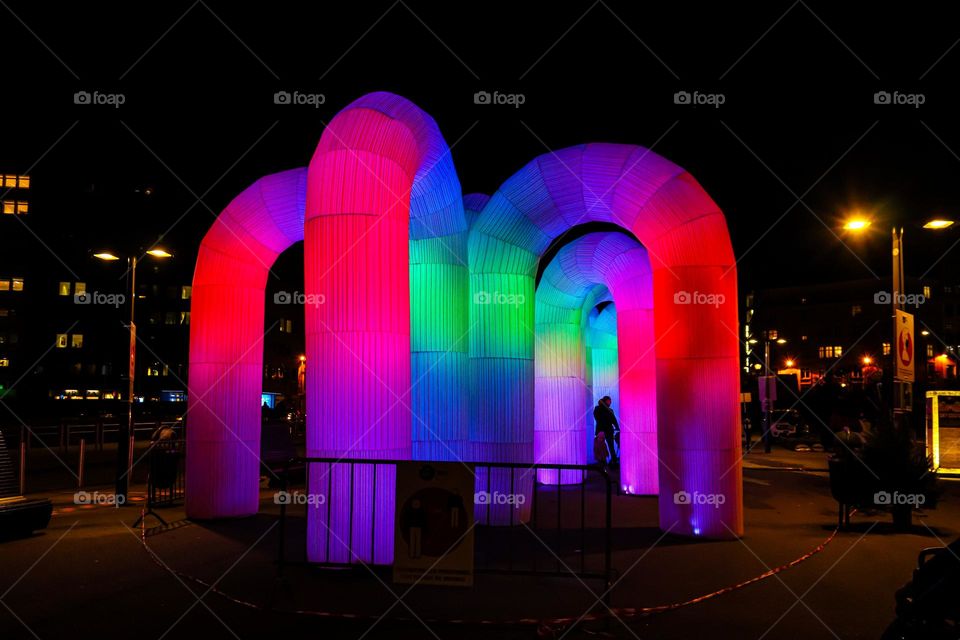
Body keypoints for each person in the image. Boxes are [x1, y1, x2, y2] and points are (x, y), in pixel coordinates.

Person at [594, 396, 620, 463]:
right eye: (609, 400)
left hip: (607, 430)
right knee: (600, 447)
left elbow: (614, 420)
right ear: (605, 401)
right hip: (601, 431)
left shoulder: (609, 410)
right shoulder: (598, 409)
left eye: (610, 401)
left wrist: (617, 427)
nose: (610, 402)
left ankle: (613, 461)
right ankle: (602, 461)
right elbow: (598, 419)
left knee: (611, 446)